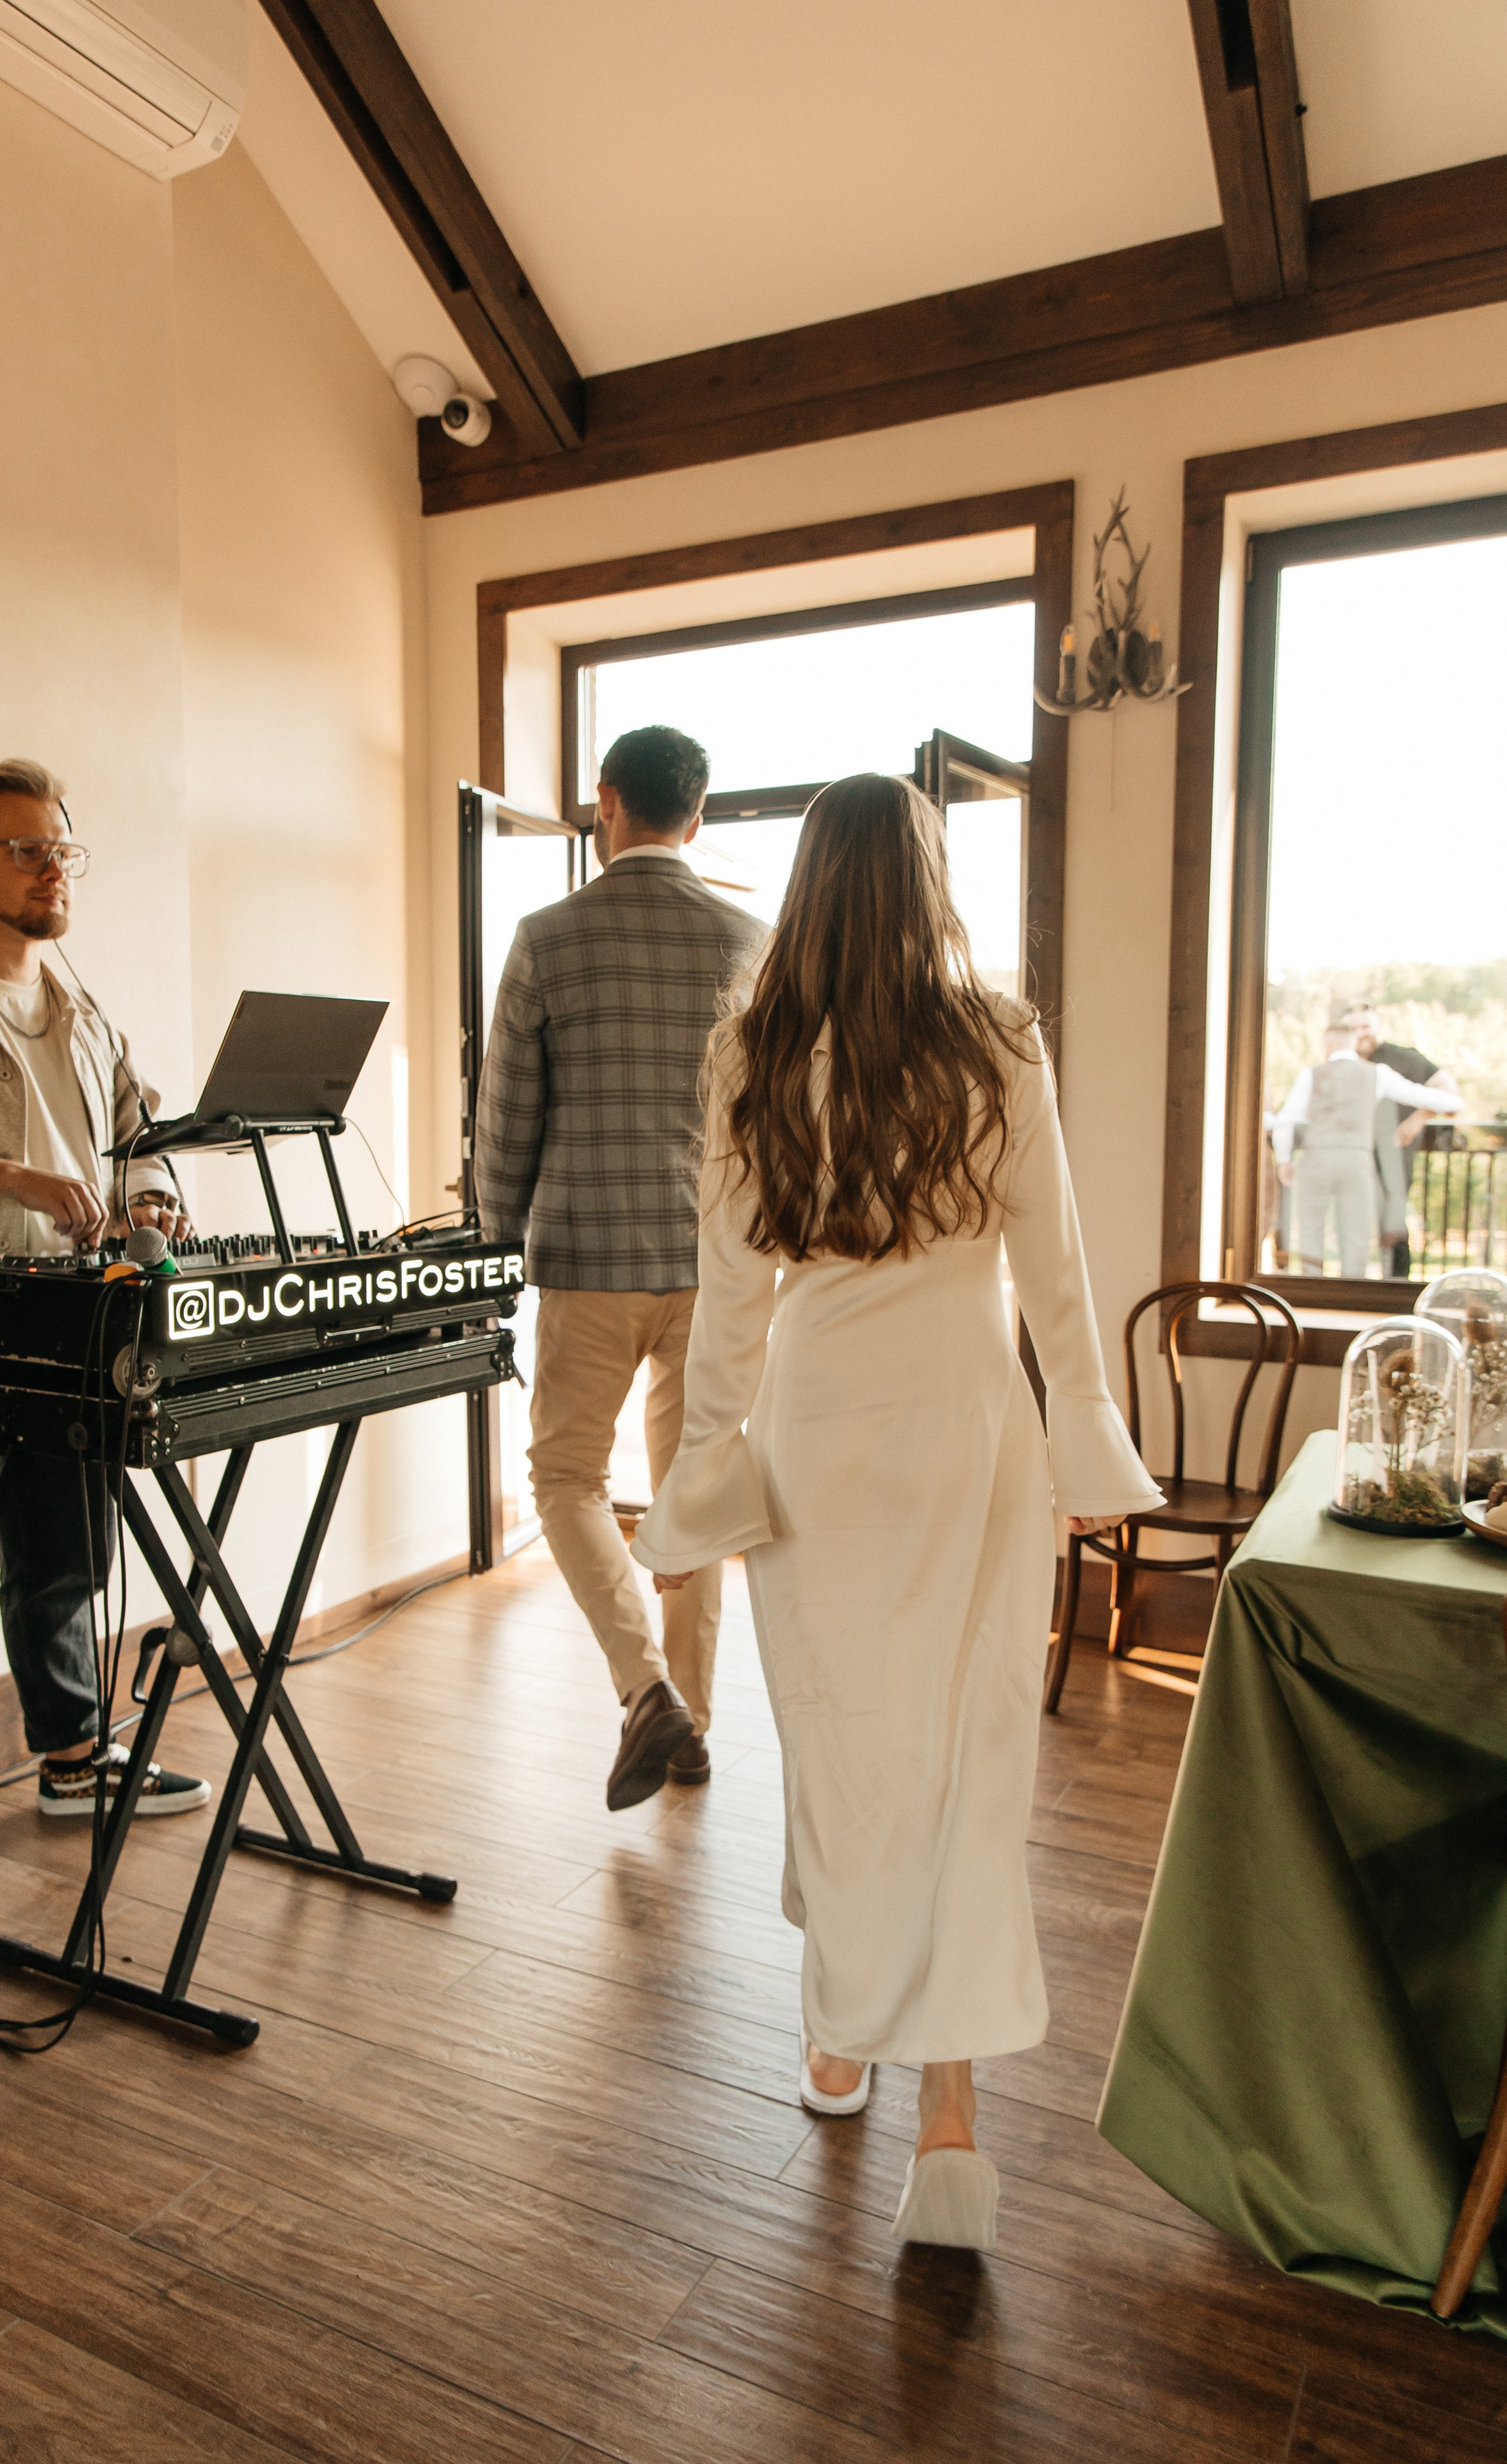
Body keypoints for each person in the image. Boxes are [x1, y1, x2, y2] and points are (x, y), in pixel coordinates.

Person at [631, 772, 1161, 2250]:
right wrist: (1086, 1438)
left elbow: (730, 1295)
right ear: (929, 882)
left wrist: (707, 1454)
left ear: (807, 884)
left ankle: (836, 2035)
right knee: (965, 1763)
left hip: (813, 1439)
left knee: (840, 1748)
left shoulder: (748, 1049)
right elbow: (1053, 1272)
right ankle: (947, 2121)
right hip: (964, 1433)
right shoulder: (997, 1036)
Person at [0, 759, 209, 1966]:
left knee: (66, 1555)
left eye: (62, 849)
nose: (53, 868)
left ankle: (71, 1754)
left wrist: (152, 1196)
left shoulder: (84, 1008)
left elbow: (139, 1130)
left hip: (68, 1329)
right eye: (25, 849)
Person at [474, 726, 767, 1812]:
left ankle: (648, 1690)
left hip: (588, 1255)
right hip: (712, 1265)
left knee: (564, 1479)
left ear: (606, 802)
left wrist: (496, 1239)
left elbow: (508, 1113)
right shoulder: (751, 941)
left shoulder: (548, 937)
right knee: (696, 1488)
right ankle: (691, 1722)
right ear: (699, 813)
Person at [1270, 1019, 1460, 1278]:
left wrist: (1284, 1160)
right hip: (1357, 1160)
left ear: (1327, 1045)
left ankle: (1312, 1284)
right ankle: (1352, 1285)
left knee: (1311, 1228)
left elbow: (1285, 1121)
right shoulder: (1377, 1074)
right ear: (1353, 1044)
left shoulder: (1311, 1075)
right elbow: (1437, 1099)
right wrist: (1437, 1109)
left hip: (1317, 1158)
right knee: (1356, 1231)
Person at [1342, 1005, 1460, 1279]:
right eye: (1352, 1028)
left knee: (1394, 1229)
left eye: (1365, 1027)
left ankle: (1395, 1288)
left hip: (1393, 1160)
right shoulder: (1342, 1063)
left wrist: (1418, 1119)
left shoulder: (1403, 1058)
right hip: (1355, 1159)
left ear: (1378, 1028)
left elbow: (1451, 1094)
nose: (1360, 1034)